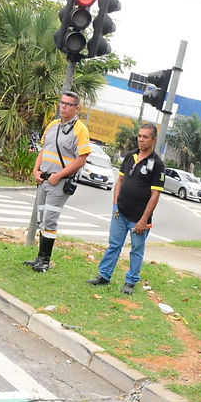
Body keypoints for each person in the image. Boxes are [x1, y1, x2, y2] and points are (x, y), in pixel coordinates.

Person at [86, 123, 164, 295]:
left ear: (154, 140)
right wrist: (115, 205)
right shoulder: (130, 156)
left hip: (139, 219)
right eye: (140, 136)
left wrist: (144, 220)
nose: (141, 139)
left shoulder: (157, 164)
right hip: (120, 213)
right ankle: (104, 276)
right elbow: (120, 182)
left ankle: (130, 282)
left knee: (136, 250)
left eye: (145, 137)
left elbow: (155, 195)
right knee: (114, 245)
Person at [24, 92, 91, 273]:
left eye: (69, 104)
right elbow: (43, 150)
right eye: (62, 103)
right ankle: (39, 257)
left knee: (50, 220)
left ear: (77, 108)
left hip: (59, 183)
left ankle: (45, 260)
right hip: (44, 180)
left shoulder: (80, 129)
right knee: (41, 219)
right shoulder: (53, 125)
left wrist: (59, 175)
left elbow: (81, 159)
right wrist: (35, 170)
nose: (64, 107)